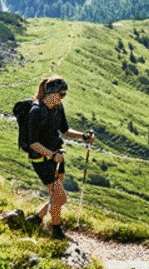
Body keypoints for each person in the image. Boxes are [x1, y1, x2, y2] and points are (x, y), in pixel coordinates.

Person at [23, 75, 95, 239]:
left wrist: (83, 136)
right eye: (62, 94)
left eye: (64, 94)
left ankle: (37, 219)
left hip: (57, 156)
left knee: (56, 196)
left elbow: (65, 131)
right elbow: (33, 143)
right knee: (60, 196)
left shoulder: (57, 108)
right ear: (51, 92)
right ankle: (56, 230)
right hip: (41, 160)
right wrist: (51, 155)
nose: (63, 98)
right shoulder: (36, 111)